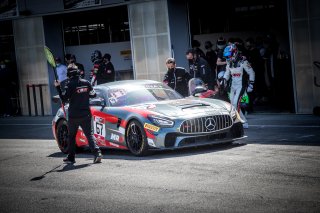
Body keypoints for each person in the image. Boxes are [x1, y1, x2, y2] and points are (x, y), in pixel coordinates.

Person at [54, 64, 102, 164]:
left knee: (71, 136)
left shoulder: (69, 84)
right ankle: (97, 153)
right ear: (78, 72)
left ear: (69, 74)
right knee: (89, 134)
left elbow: (64, 99)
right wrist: (83, 93)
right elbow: (93, 95)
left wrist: (58, 87)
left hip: (73, 116)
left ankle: (71, 157)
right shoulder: (86, 82)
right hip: (86, 114)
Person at [222, 44, 255, 129]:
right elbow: (227, 73)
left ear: (234, 52)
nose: (228, 58)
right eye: (227, 56)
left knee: (236, 103)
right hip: (232, 85)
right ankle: (237, 121)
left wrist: (251, 84)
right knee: (232, 105)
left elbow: (251, 73)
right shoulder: (229, 63)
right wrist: (224, 80)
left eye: (229, 55)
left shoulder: (243, 61)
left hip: (241, 85)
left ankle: (244, 122)